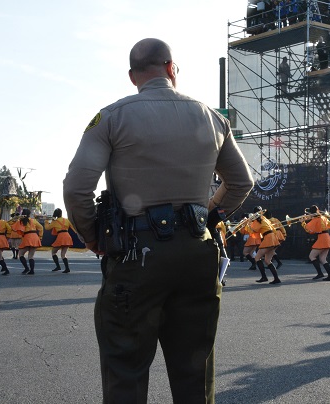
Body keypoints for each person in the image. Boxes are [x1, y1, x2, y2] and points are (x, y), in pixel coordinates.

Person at [63, 38, 253, 402]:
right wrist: (208, 216)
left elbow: (76, 188)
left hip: (137, 256)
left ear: (133, 77)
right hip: (198, 255)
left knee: (126, 370)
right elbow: (242, 182)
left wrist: (92, 237)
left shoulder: (112, 117)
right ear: (171, 69)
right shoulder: (211, 117)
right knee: (195, 372)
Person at [301, 206, 330, 281]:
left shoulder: (316, 219)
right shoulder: (323, 218)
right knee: (323, 259)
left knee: (312, 256)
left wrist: (303, 223)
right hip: (326, 237)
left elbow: (308, 230)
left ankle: (320, 273)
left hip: (322, 238)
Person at [249, 207, 281, 284]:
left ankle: (264, 277)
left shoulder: (258, 220)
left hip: (268, 238)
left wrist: (249, 223)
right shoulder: (265, 218)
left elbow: (254, 231)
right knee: (267, 260)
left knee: (257, 258)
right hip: (273, 237)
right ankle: (276, 279)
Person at [12, 208, 43, 275]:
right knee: (31, 256)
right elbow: (41, 228)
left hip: (27, 237)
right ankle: (32, 270)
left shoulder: (21, 221)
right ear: (29, 214)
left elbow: (13, 228)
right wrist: (40, 236)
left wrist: (15, 218)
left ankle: (26, 268)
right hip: (34, 237)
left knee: (21, 254)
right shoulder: (33, 220)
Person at [44, 208, 74, 273]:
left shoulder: (55, 221)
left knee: (54, 252)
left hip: (61, 236)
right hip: (67, 236)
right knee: (63, 254)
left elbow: (47, 228)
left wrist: (46, 221)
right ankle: (67, 268)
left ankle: (58, 266)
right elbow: (73, 228)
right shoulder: (66, 220)